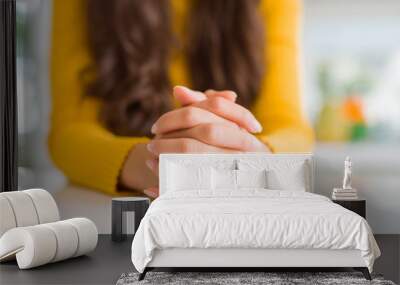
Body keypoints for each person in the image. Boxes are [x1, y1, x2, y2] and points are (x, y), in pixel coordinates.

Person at [49, 0, 314, 198]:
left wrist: (253, 156)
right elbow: (70, 132)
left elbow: (289, 125)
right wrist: (156, 163)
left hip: (241, 202)